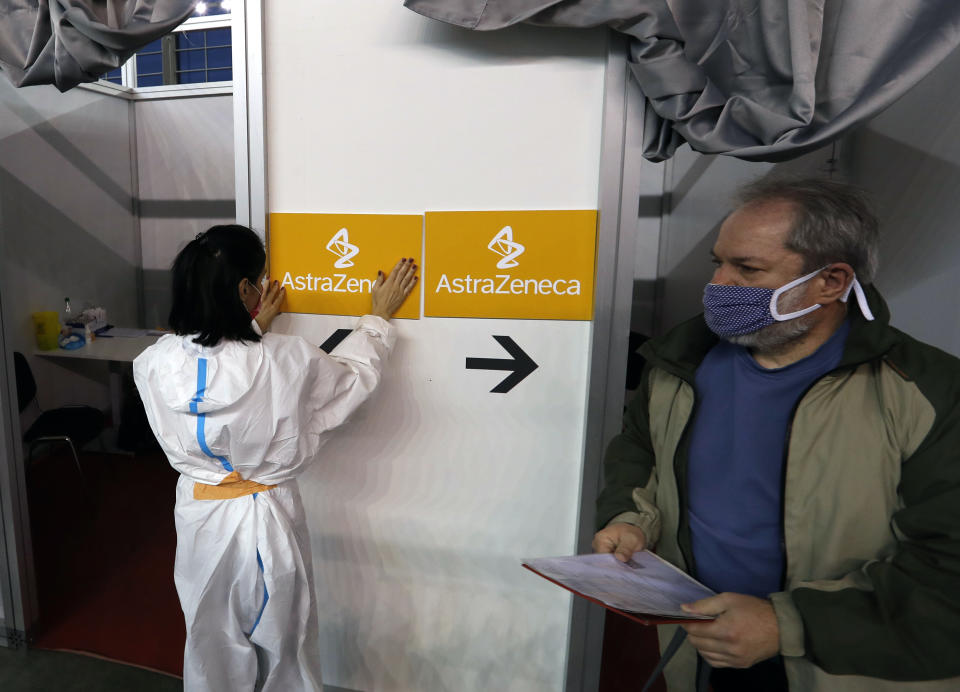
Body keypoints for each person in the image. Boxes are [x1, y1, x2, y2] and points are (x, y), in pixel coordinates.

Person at [593, 179, 960, 691]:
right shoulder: (680, 360)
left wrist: (785, 624)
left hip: (838, 667)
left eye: (747, 268)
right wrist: (632, 519)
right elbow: (641, 448)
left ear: (831, 281)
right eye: (717, 262)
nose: (719, 284)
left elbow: (947, 569)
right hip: (701, 646)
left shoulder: (929, 392)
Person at [133, 224, 418, 692]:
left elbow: (218, 377)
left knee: (210, 643)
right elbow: (349, 385)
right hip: (269, 519)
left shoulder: (154, 362)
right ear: (245, 288)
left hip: (201, 519)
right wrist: (376, 320)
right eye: (258, 279)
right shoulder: (286, 358)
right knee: (286, 645)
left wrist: (251, 328)